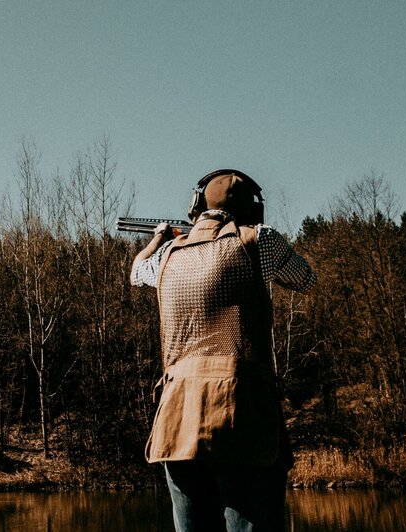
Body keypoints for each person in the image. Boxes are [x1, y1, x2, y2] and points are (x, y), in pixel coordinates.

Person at [130, 170, 316, 532]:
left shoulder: (168, 254)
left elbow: (137, 272)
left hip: (177, 419)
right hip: (242, 412)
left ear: (196, 206)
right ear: (253, 211)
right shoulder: (260, 240)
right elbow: (306, 279)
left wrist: (156, 241)